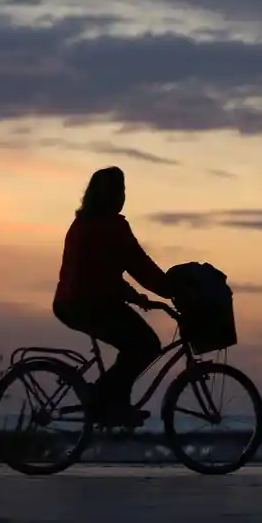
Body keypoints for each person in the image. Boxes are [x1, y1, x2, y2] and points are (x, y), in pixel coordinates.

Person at [52, 166, 174, 426]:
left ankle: (113, 403)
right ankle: (104, 401)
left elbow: (107, 272)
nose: (123, 197)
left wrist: (136, 296)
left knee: (136, 345)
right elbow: (139, 265)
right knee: (145, 345)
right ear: (112, 195)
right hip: (88, 303)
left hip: (75, 302)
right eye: (121, 190)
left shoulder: (84, 223)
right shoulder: (110, 227)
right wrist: (172, 290)